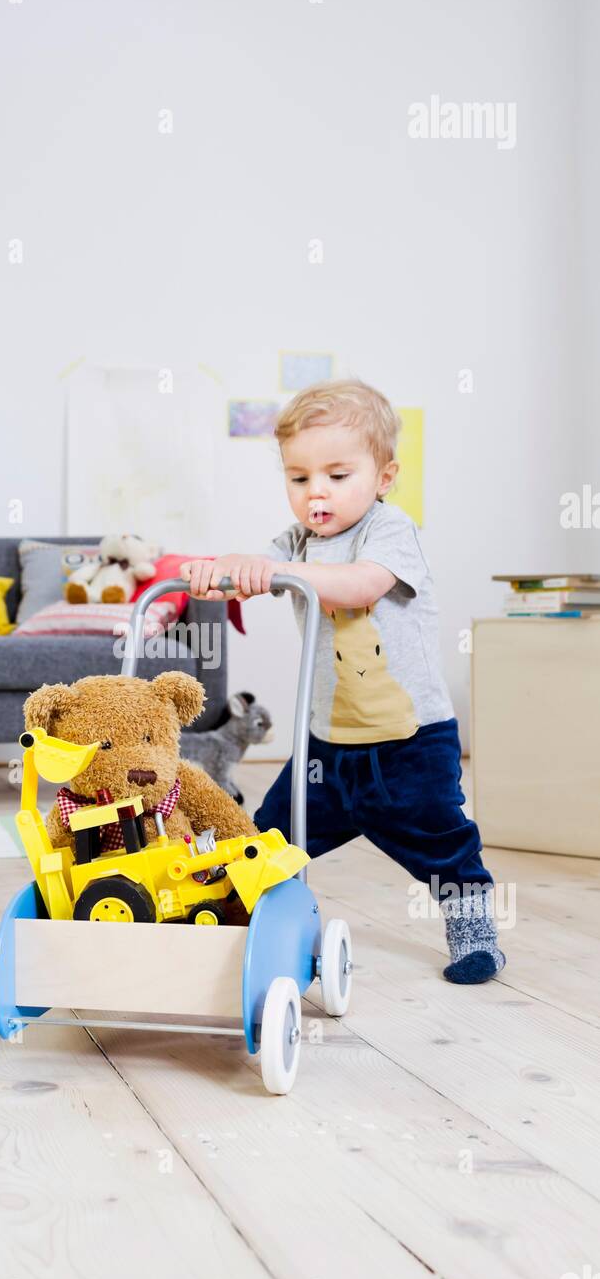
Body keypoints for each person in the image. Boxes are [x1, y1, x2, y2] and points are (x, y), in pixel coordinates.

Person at [179, 378, 505, 984]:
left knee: (440, 838)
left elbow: (357, 586)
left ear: (382, 477)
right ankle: (246, 922)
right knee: (265, 840)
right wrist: (214, 572)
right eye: (299, 478)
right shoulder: (296, 542)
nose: (316, 492)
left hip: (409, 740)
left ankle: (474, 926)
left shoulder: (388, 532)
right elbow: (247, 571)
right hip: (325, 745)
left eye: (336, 474)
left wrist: (273, 569)